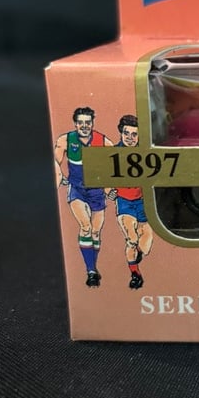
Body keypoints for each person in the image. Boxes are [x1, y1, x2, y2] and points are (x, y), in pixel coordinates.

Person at [54, 107, 114, 287]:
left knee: (95, 232)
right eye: (80, 122)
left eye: (87, 122)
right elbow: (55, 161)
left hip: (97, 191)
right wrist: (59, 174)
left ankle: (92, 266)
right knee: (86, 227)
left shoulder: (102, 141)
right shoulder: (66, 140)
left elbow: (117, 161)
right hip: (77, 189)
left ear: (92, 123)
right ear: (75, 124)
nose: (84, 126)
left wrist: (110, 187)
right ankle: (91, 271)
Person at [108, 115, 154, 290]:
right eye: (126, 133)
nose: (130, 137)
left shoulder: (145, 152)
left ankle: (137, 254)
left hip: (142, 201)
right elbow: (103, 177)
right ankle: (135, 274)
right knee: (132, 238)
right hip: (124, 202)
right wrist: (109, 191)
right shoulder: (112, 153)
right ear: (121, 133)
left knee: (146, 243)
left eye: (134, 134)